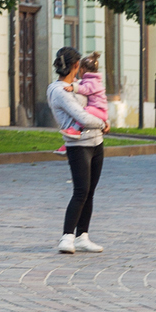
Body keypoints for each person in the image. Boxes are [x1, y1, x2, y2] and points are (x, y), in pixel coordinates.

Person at [50, 48, 109, 254]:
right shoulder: (58, 90)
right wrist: (102, 123)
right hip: (78, 145)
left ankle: (82, 236)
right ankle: (67, 236)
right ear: (76, 66)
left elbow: (97, 103)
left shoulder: (81, 86)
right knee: (81, 190)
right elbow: (82, 117)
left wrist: (102, 123)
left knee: (90, 191)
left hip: (96, 143)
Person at [54, 51, 109, 154]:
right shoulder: (90, 80)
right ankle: (68, 144)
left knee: (87, 110)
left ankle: (75, 129)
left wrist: (73, 87)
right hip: (86, 141)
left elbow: (85, 89)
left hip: (100, 113)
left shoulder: (92, 82)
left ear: (82, 69)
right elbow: (81, 84)